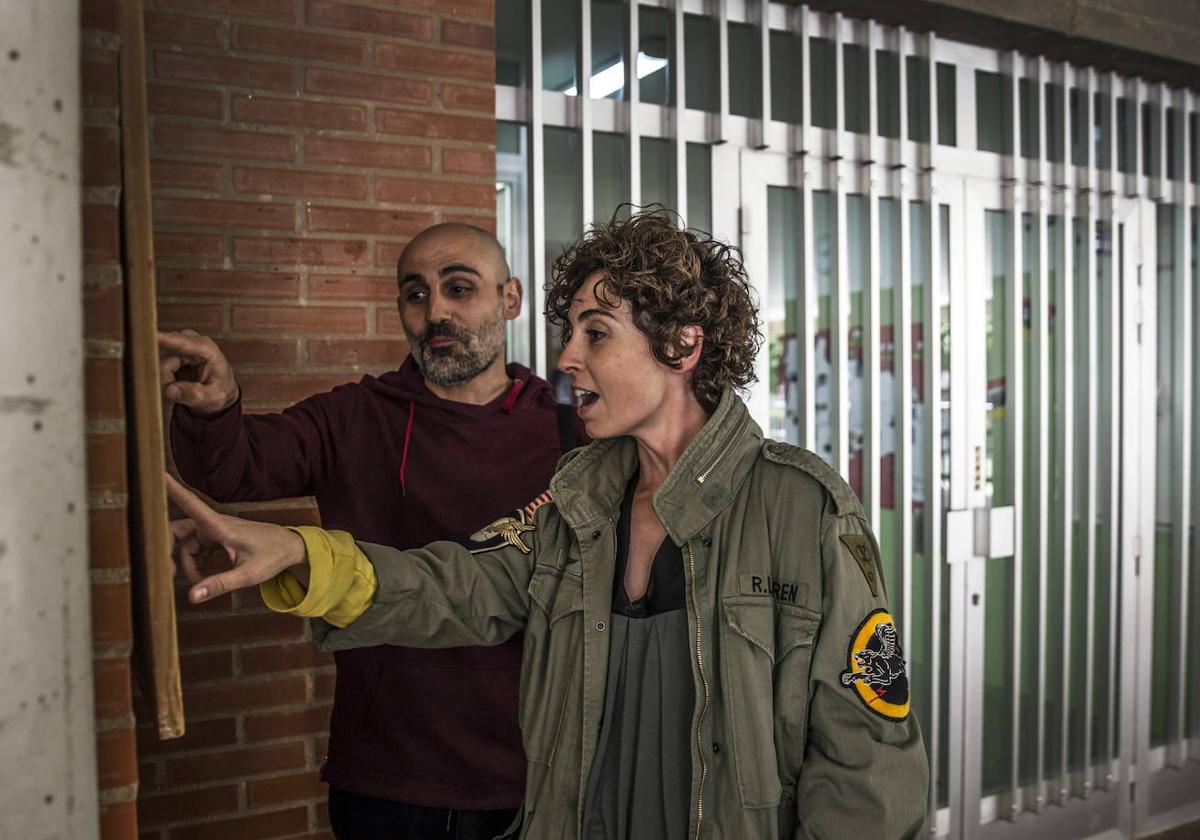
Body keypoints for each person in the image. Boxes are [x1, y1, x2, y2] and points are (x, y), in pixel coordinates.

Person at [166, 207, 930, 839]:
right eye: (568, 330)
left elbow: (868, 768)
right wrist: (302, 550)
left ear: (683, 344)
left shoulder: (803, 509)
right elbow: (458, 583)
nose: (565, 357)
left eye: (595, 333)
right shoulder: (579, 505)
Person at [159, 223, 581, 839]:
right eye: (415, 295)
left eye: (459, 289)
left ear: (510, 298)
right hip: (390, 775)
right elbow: (235, 465)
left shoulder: (569, 431)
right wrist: (216, 406)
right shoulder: (355, 416)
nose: (436, 311)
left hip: (535, 773)